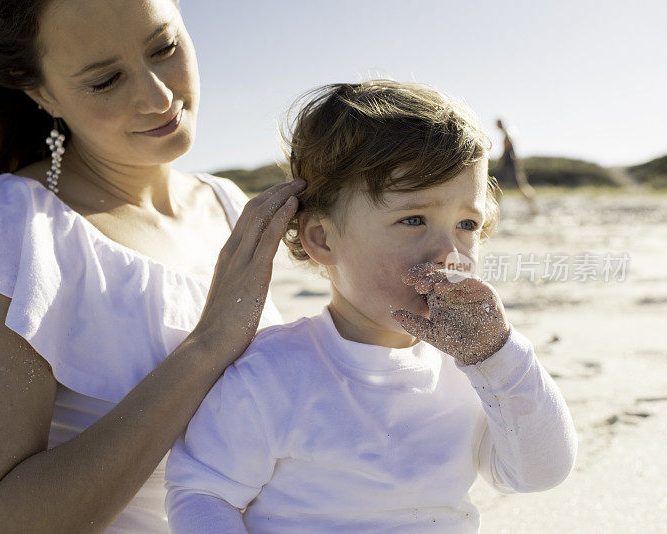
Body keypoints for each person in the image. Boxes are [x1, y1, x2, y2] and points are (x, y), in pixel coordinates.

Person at [0, 0, 306, 531]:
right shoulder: (19, 226)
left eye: (164, 48)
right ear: (40, 91)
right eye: (105, 80)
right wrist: (206, 346)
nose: (159, 96)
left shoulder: (228, 203)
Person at [165, 81, 577, 533]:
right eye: (413, 219)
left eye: (466, 224)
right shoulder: (273, 372)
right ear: (323, 239)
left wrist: (500, 358)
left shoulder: (474, 373)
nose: (447, 250)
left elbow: (538, 472)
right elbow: (203, 491)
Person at [496, 118, 539, 215]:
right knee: (502, 186)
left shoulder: (507, 133)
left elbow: (507, 149)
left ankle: (533, 208)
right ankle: (533, 208)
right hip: (510, 163)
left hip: (509, 164)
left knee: (519, 186)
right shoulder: (508, 133)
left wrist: (502, 159)